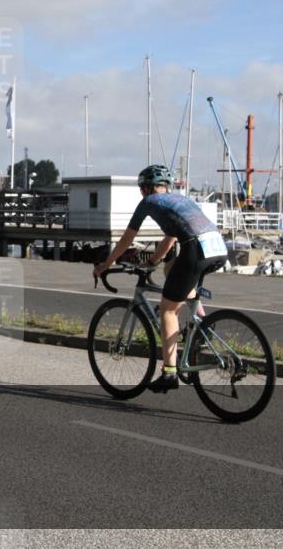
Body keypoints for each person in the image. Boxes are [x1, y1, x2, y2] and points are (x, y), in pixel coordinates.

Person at [92, 165, 228, 393]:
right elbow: (171, 237)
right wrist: (153, 261)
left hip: (195, 249)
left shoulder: (148, 202)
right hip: (218, 248)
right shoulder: (180, 200)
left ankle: (169, 373)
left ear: (145, 188)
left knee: (168, 310)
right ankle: (202, 321)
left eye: (141, 189)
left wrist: (106, 265)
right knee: (170, 269)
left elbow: (127, 239)